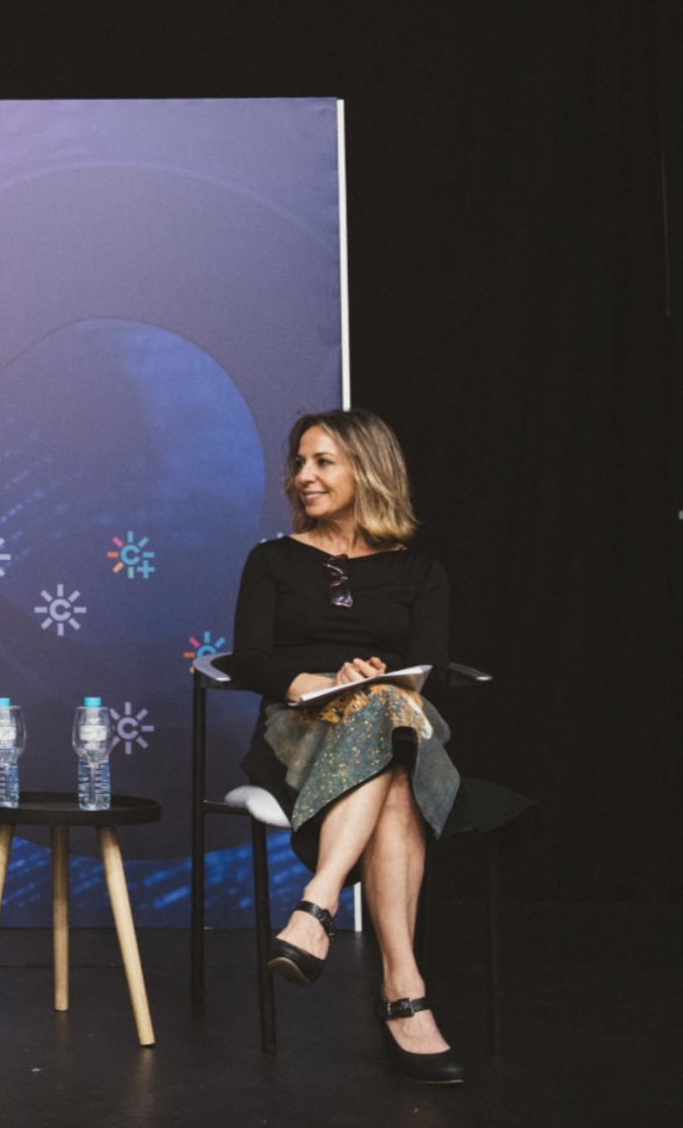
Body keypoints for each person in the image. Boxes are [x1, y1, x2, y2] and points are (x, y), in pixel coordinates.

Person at [226, 408, 466, 1084]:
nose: (304, 476)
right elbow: (249, 659)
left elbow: (432, 672)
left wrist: (379, 687)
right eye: (299, 462)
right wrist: (320, 682)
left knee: (390, 714)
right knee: (395, 779)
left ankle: (315, 907)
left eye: (323, 461)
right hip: (300, 727)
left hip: (401, 721)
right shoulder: (271, 560)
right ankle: (403, 994)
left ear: (368, 469)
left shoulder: (421, 572)